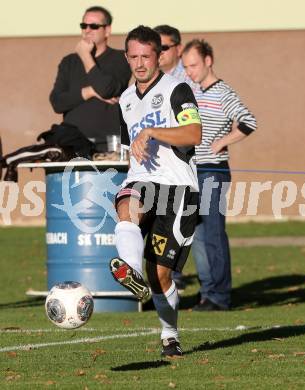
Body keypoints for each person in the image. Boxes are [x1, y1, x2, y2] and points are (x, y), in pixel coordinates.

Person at [109, 26, 202, 357]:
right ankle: (130, 270)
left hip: (178, 187)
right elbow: (128, 147)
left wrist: (152, 131)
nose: (139, 63)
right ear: (126, 57)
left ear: (159, 55)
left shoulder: (178, 88)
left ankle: (170, 333)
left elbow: (193, 134)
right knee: (127, 202)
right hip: (142, 180)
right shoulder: (125, 98)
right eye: (133, 56)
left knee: (160, 273)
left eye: (145, 56)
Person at [182, 39, 257, 311]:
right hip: (193, 171)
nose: (189, 71)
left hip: (213, 172)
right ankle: (207, 292)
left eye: (193, 65)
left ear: (208, 61)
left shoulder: (222, 92)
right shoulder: (193, 90)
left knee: (213, 234)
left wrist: (224, 140)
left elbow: (249, 121)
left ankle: (219, 296)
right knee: (198, 236)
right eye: (186, 67)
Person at [50, 6, 131, 152]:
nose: (87, 30)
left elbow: (106, 90)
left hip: (109, 145)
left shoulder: (121, 58)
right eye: (84, 25)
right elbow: (57, 102)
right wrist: (89, 92)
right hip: (73, 144)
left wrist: (85, 56)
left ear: (107, 30)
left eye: (94, 26)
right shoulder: (69, 62)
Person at [154, 24, 198, 292]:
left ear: (178, 49)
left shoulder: (187, 82)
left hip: (193, 165)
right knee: (161, 229)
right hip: (161, 171)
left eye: (164, 47)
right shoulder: (148, 83)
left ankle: (215, 296)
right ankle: (164, 283)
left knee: (202, 237)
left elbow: (194, 129)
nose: (158, 53)